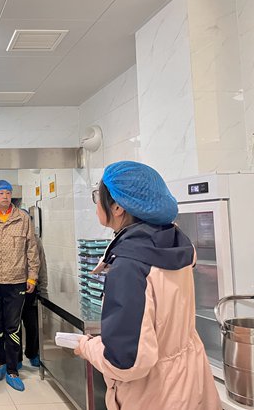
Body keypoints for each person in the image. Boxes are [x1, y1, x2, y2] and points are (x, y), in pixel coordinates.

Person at [74, 161, 221, 409]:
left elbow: (126, 362)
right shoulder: (176, 244)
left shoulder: (130, 266)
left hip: (154, 394)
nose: (96, 204)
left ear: (117, 207)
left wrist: (87, 347)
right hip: (191, 381)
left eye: (97, 196)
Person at [0, 180, 39, 391]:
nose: (5, 196)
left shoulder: (23, 218)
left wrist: (32, 277)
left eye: (8, 193)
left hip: (16, 280)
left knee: (13, 327)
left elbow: (32, 249)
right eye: (1, 193)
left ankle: (12, 369)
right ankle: (0, 360)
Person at [18, 219, 49, 368]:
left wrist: (43, 291)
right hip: (13, 289)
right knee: (14, 327)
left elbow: (42, 266)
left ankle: (32, 353)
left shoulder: (36, 241)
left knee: (32, 325)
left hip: (32, 290)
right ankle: (16, 358)